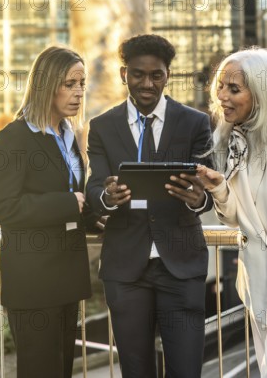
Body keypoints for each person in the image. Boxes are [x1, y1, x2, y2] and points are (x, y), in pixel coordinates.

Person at [86, 34, 213, 378]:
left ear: (167, 76)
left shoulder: (195, 123)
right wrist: (107, 199)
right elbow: (94, 187)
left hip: (181, 267)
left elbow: (209, 190)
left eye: (156, 75)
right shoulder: (101, 127)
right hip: (126, 272)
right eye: (138, 74)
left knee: (186, 371)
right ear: (124, 73)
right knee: (136, 370)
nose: (147, 83)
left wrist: (198, 199)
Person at [195, 47, 267, 377]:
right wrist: (219, 188)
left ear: (262, 92)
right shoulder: (233, 137)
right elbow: (235, 219)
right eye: (221, 87)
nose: (222, 97)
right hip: (257, 290)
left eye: (234, 89)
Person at [0, 46, 100, 378]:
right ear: (46, 85)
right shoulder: (14, 139)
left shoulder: (68, 138)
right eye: (70, 83)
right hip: (33, 285)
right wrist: (68, 204)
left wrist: (96, 215)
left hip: (67, 280)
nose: (79, 92)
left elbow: (73, 194)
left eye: (82, 82)